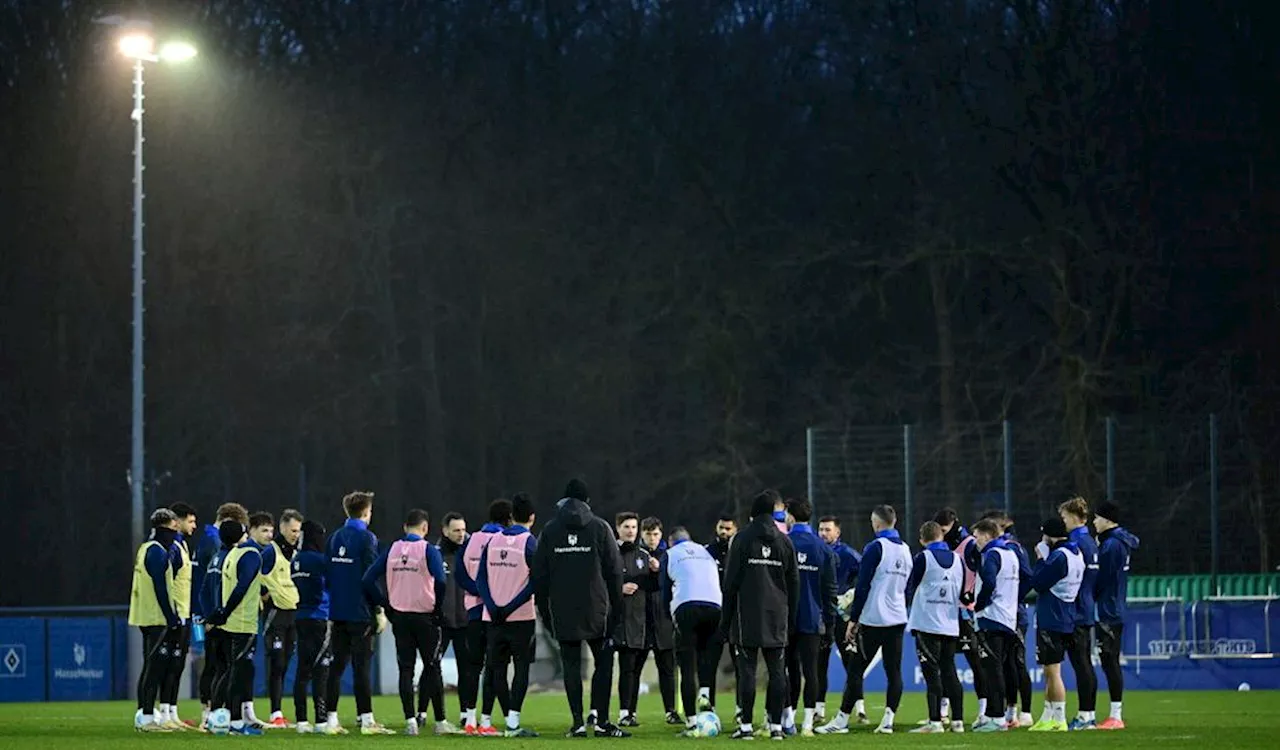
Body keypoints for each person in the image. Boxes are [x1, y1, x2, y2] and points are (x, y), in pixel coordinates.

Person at [532, 478, 629, 738]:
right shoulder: (600, 528)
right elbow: (614, 572)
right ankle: (602, 720)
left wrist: (544, 611)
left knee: (571, 666)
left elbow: (539, 576)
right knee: (604, 663)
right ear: (587, 501)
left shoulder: (550, 531)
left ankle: (577, 722)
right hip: (598, 608)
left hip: (562, 609)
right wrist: (616, 611)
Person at [818, 504, 910, 735]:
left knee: (856, 669)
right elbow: (906, 587)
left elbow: (863, 585)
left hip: (874, 619)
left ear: (876, 523)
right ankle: (888, 720)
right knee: (894, 671)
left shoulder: (875, 547)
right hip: (898, 618)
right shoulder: (906, 550)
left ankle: (841, 720)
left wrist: (853, 618)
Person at [363, 508, 454, 736]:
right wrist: (437, 607)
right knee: (432, 667)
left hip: (400, 617)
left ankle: (410, 722)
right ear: (425, 528)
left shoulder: (392, 549)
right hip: (424, 616)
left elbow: (367, 579)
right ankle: (440, 721)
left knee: (406, 669)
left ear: (405, 527)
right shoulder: (428, 550)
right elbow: (441, 581)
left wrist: (385, 604)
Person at [721, 490, 798, 741]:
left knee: (747, 672)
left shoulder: (742, 539)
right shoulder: (785, 542)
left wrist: (726, 620)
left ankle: (745, 727)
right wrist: (791, 617)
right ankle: (776, 727)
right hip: (777, 616)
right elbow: (793, 583)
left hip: (747, 615)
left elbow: (730, 582)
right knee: (777, 672)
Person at [325, 491, 392, 734]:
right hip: (360, 612)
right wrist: (379, 608)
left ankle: (330, 720)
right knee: (361, 667)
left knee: (336, 666)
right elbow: (369, 577)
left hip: (337, 611)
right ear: (366, 512)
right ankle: (366, 721)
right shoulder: (367, 538)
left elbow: (329, 576)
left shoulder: (333, 538)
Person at [478, 493, 540, 737]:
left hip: (492, 617)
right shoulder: (530, 543)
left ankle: (493, 720)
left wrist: (493, 605)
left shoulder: (492, 541)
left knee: (495, 669)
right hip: (520, 618)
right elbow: (535, 581)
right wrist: (511, 606)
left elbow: (481, 577)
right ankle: (512, 722)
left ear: (511, 517)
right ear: (532, 518)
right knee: (521, 669)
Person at [204, 518, 265, 736]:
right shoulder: (250, 555)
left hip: (230, 624)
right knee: (239, 674)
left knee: (230, 671)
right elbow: (242, 587)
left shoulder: (230, 555)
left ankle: (216, 716)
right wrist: (226, 611)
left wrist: (220, 613)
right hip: (243, 623)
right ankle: (236, 722)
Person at [456, 499, 512, 735]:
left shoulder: (471, 541)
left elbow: (460, 574)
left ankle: (469, 718)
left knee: (472, 666)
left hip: (473, 611)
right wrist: (490, 594)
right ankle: (486, 722)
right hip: (496, 611)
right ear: (509, 518)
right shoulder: (504, 541)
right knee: (493, 667)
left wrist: (476, 591)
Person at [661, 526, 723, 736]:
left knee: (687, 666)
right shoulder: (705, 551)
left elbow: (664, 592)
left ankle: (691, 723)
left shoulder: (669, 555)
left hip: (686, 607)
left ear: (671, 542)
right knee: (707, 658)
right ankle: (705, 694)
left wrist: (669, 617)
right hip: (716, 607)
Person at [905, 521, 965, 734]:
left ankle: (935, 722)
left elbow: (910, 586)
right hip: (950, 624)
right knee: (950, 672)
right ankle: (957, 721)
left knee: (932, 676)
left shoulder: (923, 558)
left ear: (922, 540)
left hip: (927, 624)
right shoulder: (958, 560)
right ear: (942, 536)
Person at [783, 498, 837, 736]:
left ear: (791, 517)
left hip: (784, 618)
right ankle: (807, 724)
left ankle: (788, 720)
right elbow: (830, 590)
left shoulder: (783, 543)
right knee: (811, 672)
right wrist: (831, 623)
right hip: (813, 618)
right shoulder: (823, 548)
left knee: (787, 669)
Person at [971, 518, 1030, 732]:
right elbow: (1027, 578)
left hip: (992, 617)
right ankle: (996, 715)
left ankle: (996, 718)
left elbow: (989, 582)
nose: (975, 541)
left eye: (977, 536)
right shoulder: (1011, 554)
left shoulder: (992, 554)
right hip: (1007, 618)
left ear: (987, 535)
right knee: (1001, 667)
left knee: (992, 669)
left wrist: (980, 605)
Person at [128, 508, 183, 733]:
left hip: (147, 615)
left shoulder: (147, 548)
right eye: (173, 527)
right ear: (165, 528)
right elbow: (161, 587)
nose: (176, 532)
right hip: (156, 617)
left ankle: (145, 713)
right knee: (154, 670)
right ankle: (147, 717)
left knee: (151, 667)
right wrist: (171, 617)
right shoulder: (158, 552)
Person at [1027, 517, 1084, 732]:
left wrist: (1041, 558)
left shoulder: (1058, 557)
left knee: (1052, 671)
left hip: (1052, 617)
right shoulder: (1076, 552)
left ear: (1050, 536)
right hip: (1067, 614)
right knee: (1049, 670)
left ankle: (1059, 717)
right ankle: (1048, 714)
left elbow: (1039, 582)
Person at [195, 502, 247, 729]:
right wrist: (217, 616)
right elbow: (218, 588)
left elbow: (204, 588)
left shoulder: (211, 544)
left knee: (216, 665)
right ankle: (214, 714)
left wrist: (208, 615)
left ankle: (212, 714)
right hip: (222, 619)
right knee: (222, 667)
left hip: (211, 616)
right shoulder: (220, 548)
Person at [1093, 501, 1139, 730]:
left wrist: (1088, 593)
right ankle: (1115, 714)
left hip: (1108, 610)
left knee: (1110, 662)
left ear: (1107, 520)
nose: (1094, 522)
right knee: (1110, 661)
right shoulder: (1120, 542)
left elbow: (1103, 579)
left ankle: (1116, 716)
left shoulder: (1111, 545)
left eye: (1097, 518)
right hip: (1115, 607)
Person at [935, 507, 983, 725]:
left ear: (954, 523)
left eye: (946, 529)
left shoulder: (970, 544)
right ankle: (943, 710)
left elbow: (983, 573)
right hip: (945, 610)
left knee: (976, 662)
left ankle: (984, 710)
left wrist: (972, 595)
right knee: (945, 662)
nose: (943, 533)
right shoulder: (941, 544)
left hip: (966, 611)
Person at [292, 519, 337, 735]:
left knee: (302, 670)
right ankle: (320, 721)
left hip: (300, 616)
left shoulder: (296, 559)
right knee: (321, 670)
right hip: (320, 617)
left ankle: (301, 721)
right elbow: (331, 586)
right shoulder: (321, 560)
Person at [1059, 496, 1100, 730]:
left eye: (1064, 518)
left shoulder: (1075, 543)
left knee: (1081, 664)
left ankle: (1086, 716)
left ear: (1074, 517)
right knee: (1084, 663)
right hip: (1086, 607)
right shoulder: (1091, 542)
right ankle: (1088, 714)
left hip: (1074, 610)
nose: (1063, 522)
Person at [815, 515, 859, 723]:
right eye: (821, 529)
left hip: (841, 617)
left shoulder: (847, 554)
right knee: (819, 664)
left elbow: (865, 573)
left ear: (837, 532)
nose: (823, 533)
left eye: (827, 530)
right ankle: (818, 709)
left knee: (850, 662)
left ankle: (859, 707)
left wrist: (853, 593)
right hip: (820, 616)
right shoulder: (815, 551)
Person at [262, 509, 303, 728]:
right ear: (283, 528)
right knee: (276, 662)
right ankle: (274, 713)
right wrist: (263, 593)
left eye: (298, 531)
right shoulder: (271, 551)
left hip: (293, 614)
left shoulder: (298, 553)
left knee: (285, 663)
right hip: (275, 614)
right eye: (293, 530)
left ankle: (278, 712)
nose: (296, 534)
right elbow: (254, 573)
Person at [159, 502, 197, 730]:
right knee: (167, 665)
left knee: (178, 665)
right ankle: (162, 712)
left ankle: (171, 712)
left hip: (184, 614)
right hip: (174, 615)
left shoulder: (182, 545)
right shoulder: (172, 546)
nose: (194, 526)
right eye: (190, 521)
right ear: (178, 521)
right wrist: (171, 612)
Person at [638, 516, 680, 725]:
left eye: (655, 534)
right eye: (648, 534)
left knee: (667, 667)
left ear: (661, 534)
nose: (652, 538)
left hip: (663, 618)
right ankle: (628, 712)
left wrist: (659, 569)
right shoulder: (635, 555)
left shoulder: (669, 556)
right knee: (634, 667)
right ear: (642, 535)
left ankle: (671, 711)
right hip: (641, 618)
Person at [613, 512, 649, 727]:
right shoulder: (609, 552)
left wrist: (656, 571)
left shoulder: (643, 556)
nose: (630, 531)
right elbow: (599, 582)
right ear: (618, 528)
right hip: (613, 620)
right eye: (626, 526)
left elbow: (652, 586)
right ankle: (597, 712)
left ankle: (628, 712)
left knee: (632, 669)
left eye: (634, 527)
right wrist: (619, 589)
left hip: (636, 620)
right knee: (609, 668)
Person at [436, 511, 470, 727]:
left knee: (467, 669)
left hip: (465, 621)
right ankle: (423, 711)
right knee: (432, 667)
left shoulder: (470, 552)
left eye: (463, 530)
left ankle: (466, 712)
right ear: (445, 531)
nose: (461, 534)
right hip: (442, 621)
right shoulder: (435, 554)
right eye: (456, 530)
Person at [705, 513, 740, 717]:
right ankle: (710, 708)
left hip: (736, 615)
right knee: (710, 663)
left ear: (735, 529)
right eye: (721, 528)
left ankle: (740, 709)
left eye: (728, 529)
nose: (724, 532)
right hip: (714, 614)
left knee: (741, 665)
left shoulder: (740, 550)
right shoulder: (707, 552)